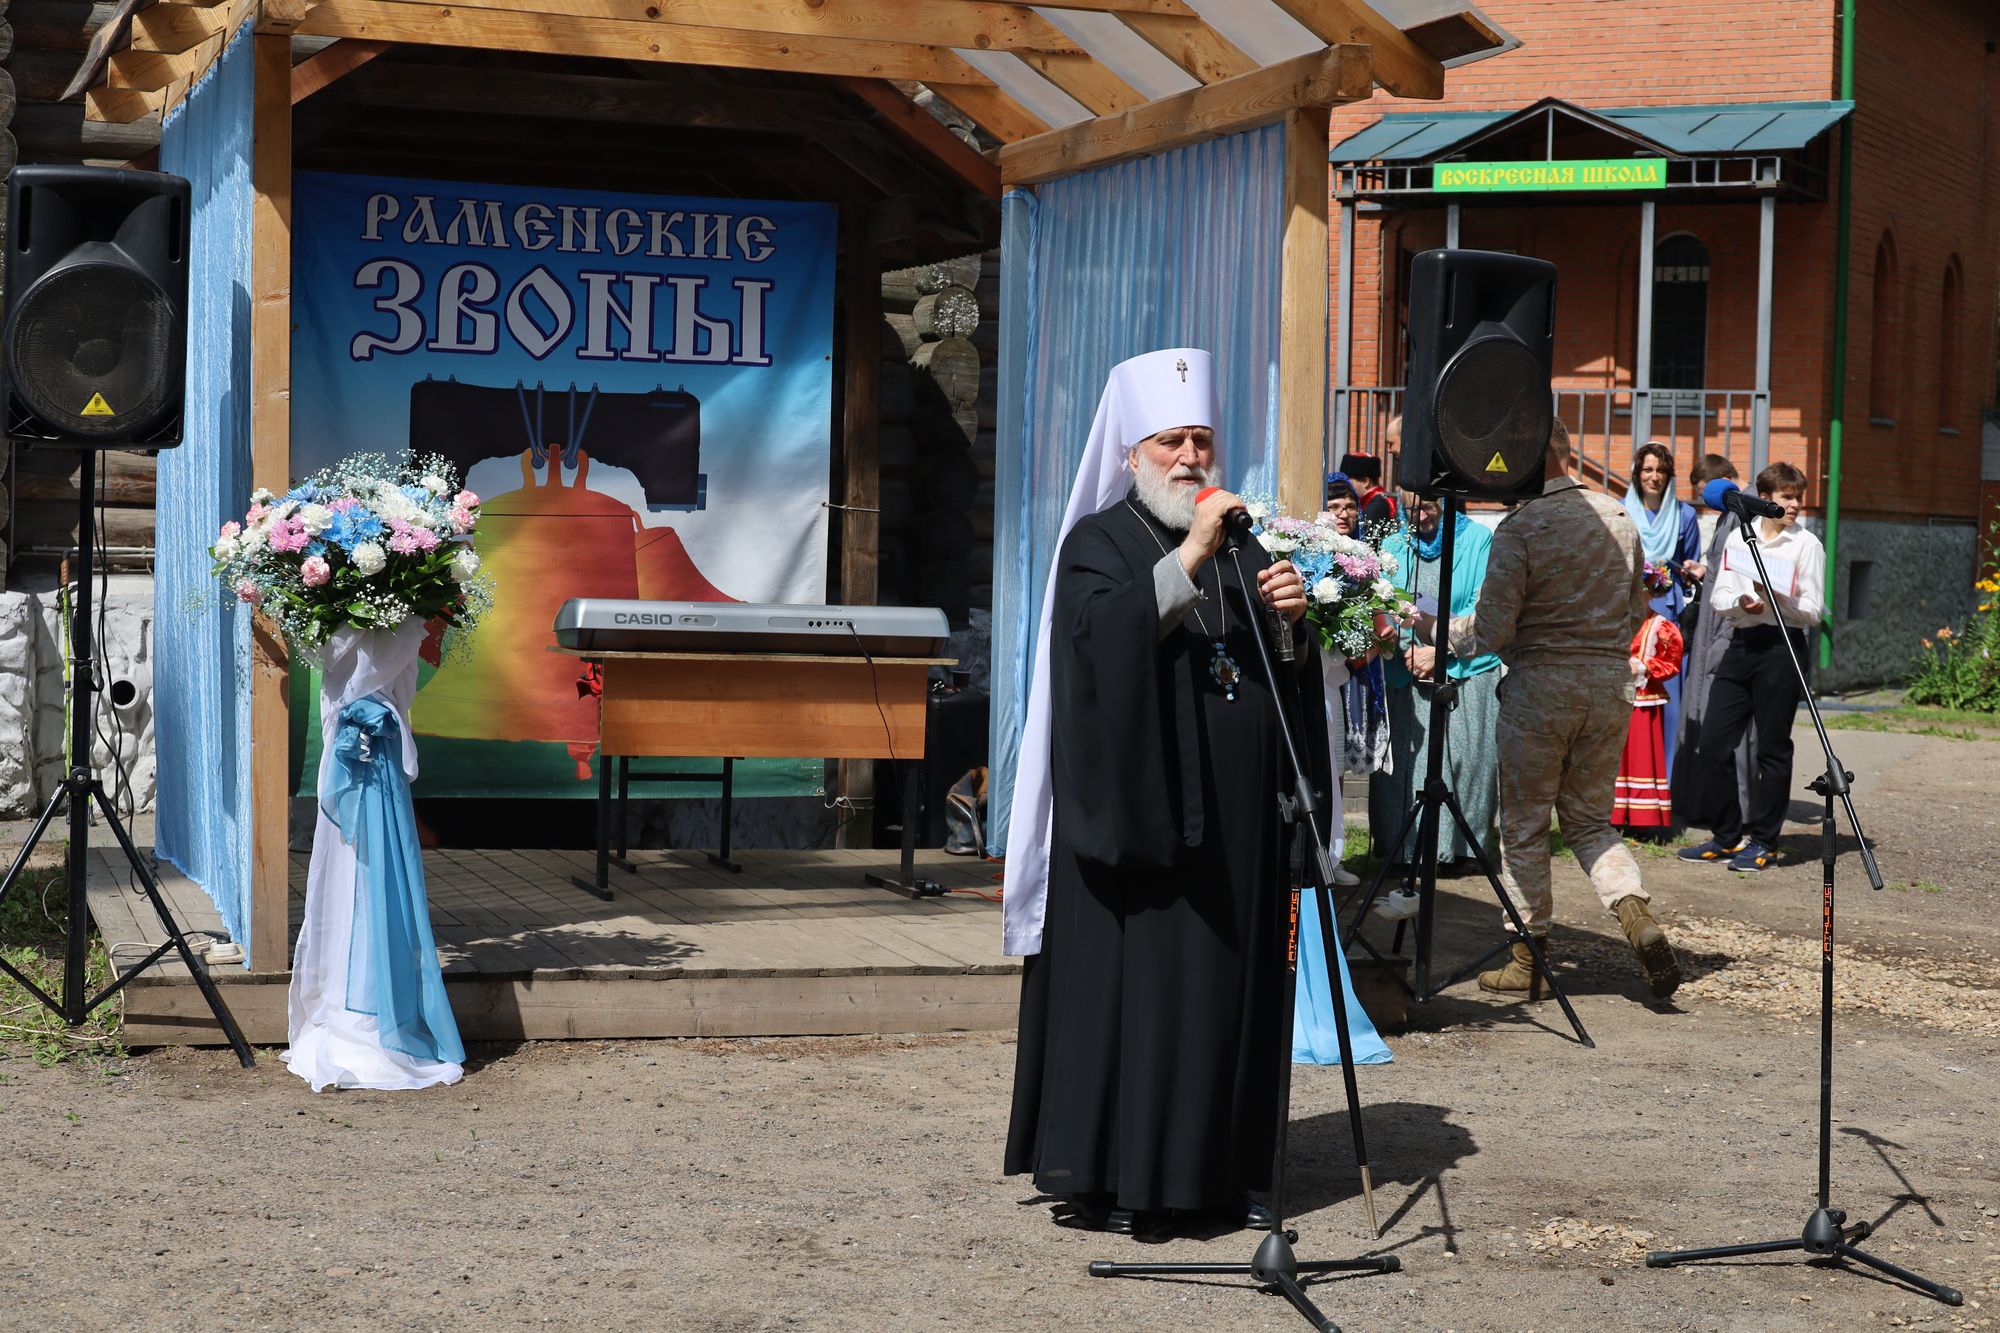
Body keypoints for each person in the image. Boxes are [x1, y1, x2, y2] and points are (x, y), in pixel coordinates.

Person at [1002, 347, 1327, 1236]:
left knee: (1228, 1002)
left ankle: (1223, 1174)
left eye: (1201, 440)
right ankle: (1124, 1179)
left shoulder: (1244, 547)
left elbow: (1267, 672)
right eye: (1171, 441)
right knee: (1146, 1009)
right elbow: (1096, 645)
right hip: (1146, 827)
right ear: (1132, 452)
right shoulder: (1099, 541)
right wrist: (1189, 554)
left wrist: (1294, 628)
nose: (1190, 457)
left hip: (1235, 829)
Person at [1442, 419, 1682, 1000]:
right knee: (1590, 821)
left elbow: (1494, 629)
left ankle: (1528, 961)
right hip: (1608, 688)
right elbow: (1636, 611)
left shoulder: (1522, 525)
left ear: (1529, 457)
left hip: (1540, 693)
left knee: (1525, 825)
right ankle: (1634, 913)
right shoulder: (1619, 517)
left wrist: (1438, 629)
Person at [1677, 461, 1826, 873]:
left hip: (1782, 647)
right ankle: (1726, 836)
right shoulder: (1740, 539)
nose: (1794, 505)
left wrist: (1779, 599)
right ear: (1764, 499)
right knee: (1713, 743)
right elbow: (1719, 595)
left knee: (1772, 749)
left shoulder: (1806, 545)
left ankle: (1764, 842)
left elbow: (1814, 610)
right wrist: (1741, 602)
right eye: (1786, 497)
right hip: (1741, 644)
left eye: (1798, 498)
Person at [1293, 471, 1393, 1067]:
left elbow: (1366, 645)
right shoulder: (1301, 555)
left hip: (1328, 692)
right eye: (1331, 505)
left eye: (1347, 505)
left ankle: (1328, 865)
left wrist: (1369, 628)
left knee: (1329, 784)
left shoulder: (1355, 569)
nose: (1341, 513)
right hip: (1308, 690)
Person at [1369, 493, 1502, 874]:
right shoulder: (1394, 545)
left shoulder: (1477, 539)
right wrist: (1403, 646)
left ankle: (1460, 851)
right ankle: (1402, 849)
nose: (1421, 517)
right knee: (1405, 765)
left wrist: (1440, 652)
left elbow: (1483, 608)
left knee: (1462, 760)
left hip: (1466, 665)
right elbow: (1385, 602)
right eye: (1412, 509)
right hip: (1405, 665)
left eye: (1429, 507)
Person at [1672, 455, 1755, 829]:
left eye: (1709, 493)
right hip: (1712, 622)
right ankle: (1705, 800)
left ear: (1725, 481)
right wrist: (1704, 572)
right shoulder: (1729, 514)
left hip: (1727, 627)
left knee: (1725, 721)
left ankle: (1731, 809)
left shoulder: (1745, 512)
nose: (1708, 502)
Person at [1622, 443, 1704, 776]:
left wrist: (1692, 569)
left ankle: (1667, 780)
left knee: (1666, 696)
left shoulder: (1685, 515)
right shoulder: (1620, 512)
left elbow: (1691, 563)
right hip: (1628, 610)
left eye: (1661, 470)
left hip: (1667, 611)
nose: (1654, 476)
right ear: (1637, 474)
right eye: (1647, 469)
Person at [1612, 602, 1685, 830]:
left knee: (1640, 756)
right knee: (1613, 755)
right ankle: (1611, 815)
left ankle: (1642, 819)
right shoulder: (1611, 622)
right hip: (1612, 697)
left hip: (1644, 699)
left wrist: (1644, 667)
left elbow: (1672, 661)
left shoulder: (1661, 626)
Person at [1340, 448, 1399, 536]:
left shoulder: (1377, 506)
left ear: (1365, 481)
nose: (1345, 486)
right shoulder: (1378, 500)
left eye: (1347, 481)